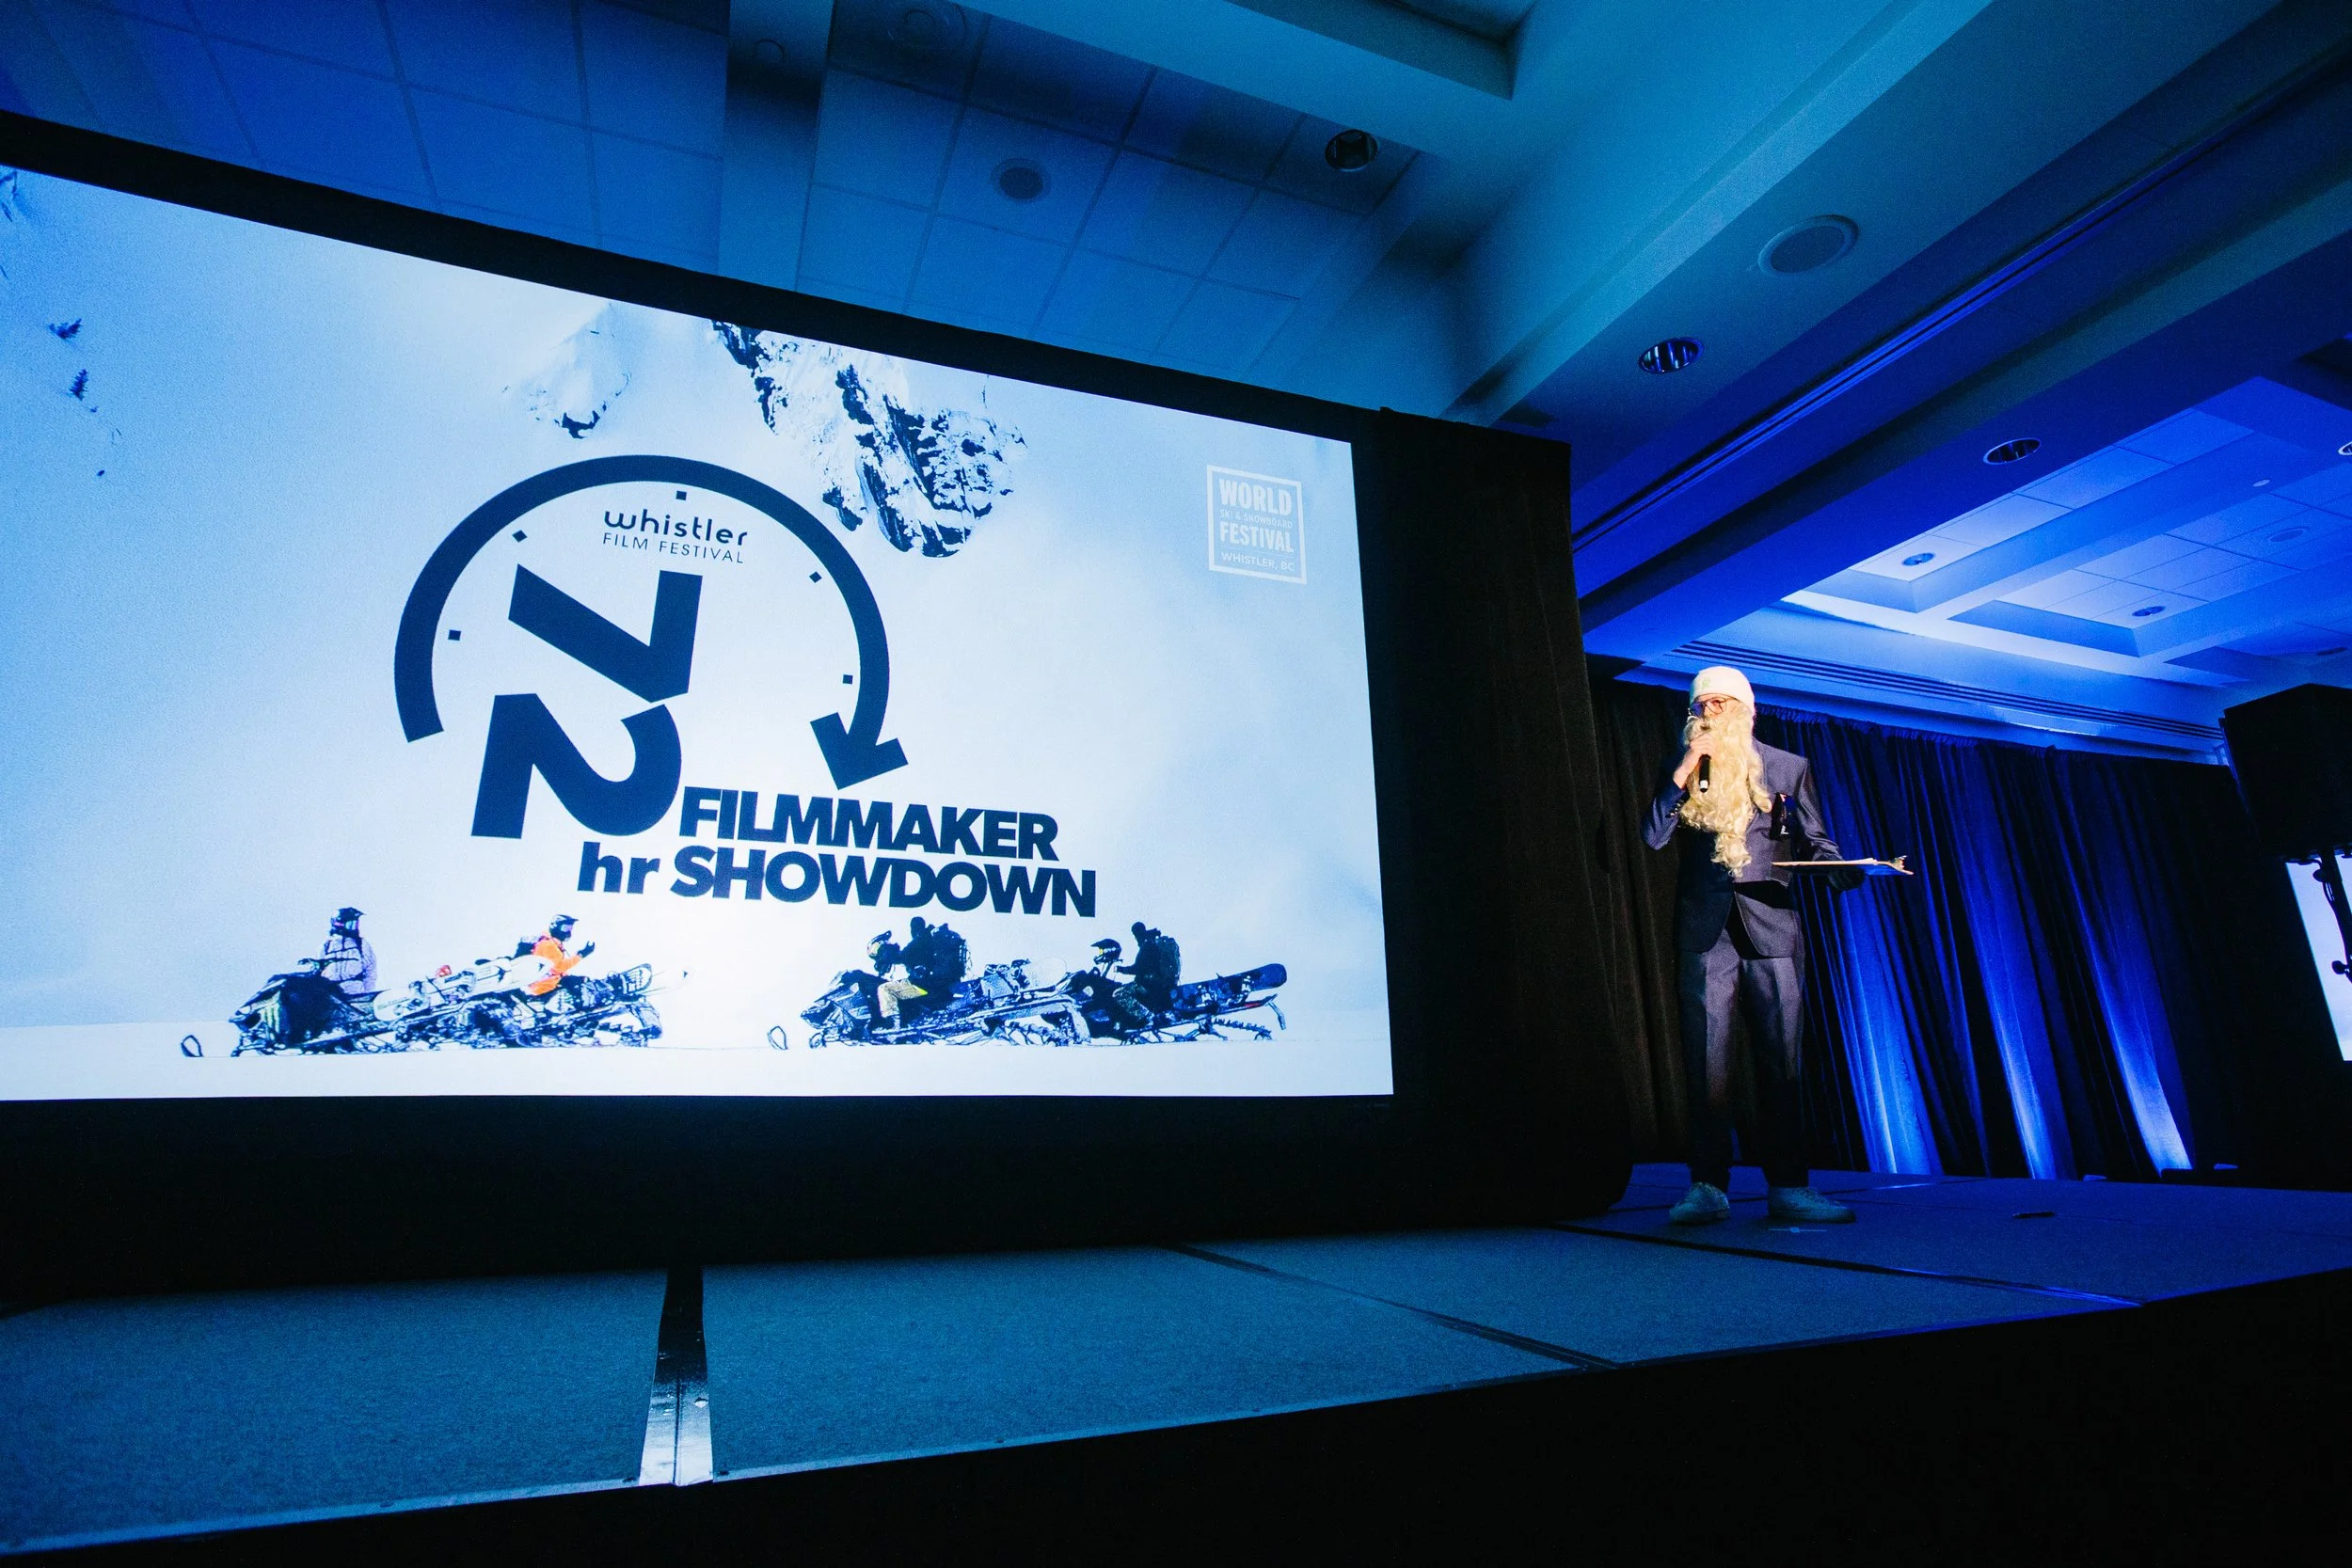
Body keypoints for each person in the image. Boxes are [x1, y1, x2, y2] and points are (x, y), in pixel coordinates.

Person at [1643, 667, 1864, 1227]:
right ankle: (1707, 1185)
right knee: (1706, 1064)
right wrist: (1684, 771)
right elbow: (1653, 837)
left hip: (1771, 926)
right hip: (1705, 931)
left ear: (1746, 710)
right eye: (1702, 704)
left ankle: (1789, 1185)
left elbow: (1814, 840)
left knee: (1780, 1063)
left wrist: (1841, 868)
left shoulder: (1788, 766)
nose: (1709, 713)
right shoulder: (1685, 768)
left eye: (1721, 703)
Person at [514, 914, 594, 999]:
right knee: (582, 988)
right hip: (544, 987)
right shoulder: (548, 945)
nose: (568, 932)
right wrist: (581, 955)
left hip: (547, 982)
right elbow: (557, 968)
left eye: (570, 928)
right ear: (555, 927)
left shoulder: (551, 942)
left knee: (581, 982)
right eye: (565, 928)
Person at [1116, 921, 1181, 1021]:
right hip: (1161, 983)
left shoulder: (1147, 946)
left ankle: (1146, 1017)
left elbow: (1138, 968)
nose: (1135, 937)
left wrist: (1120, 969)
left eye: (1135, 934)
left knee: (1120, 993)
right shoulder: (1154, 942)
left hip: (1149, 984)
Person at [318, 907, 377, 1002]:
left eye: (355, 924)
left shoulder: (361, 944)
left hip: (354, 992)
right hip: (332, 994)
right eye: (351, 924)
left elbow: (370, 969)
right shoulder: (327, 945)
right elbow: (319, 969)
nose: (354, 928)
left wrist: (367, 994)